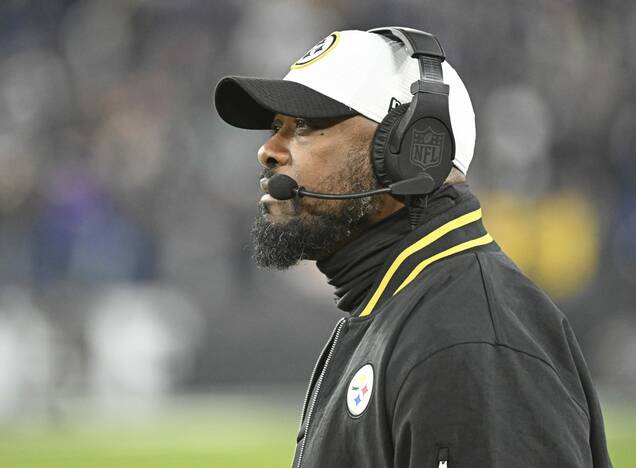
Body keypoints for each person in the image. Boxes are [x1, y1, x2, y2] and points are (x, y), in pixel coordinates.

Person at [214, 27, 611, 468]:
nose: (268, 151)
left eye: (303, 126)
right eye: (276, 127)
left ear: (412, 151)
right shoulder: (406, 307)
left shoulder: (469, 340)